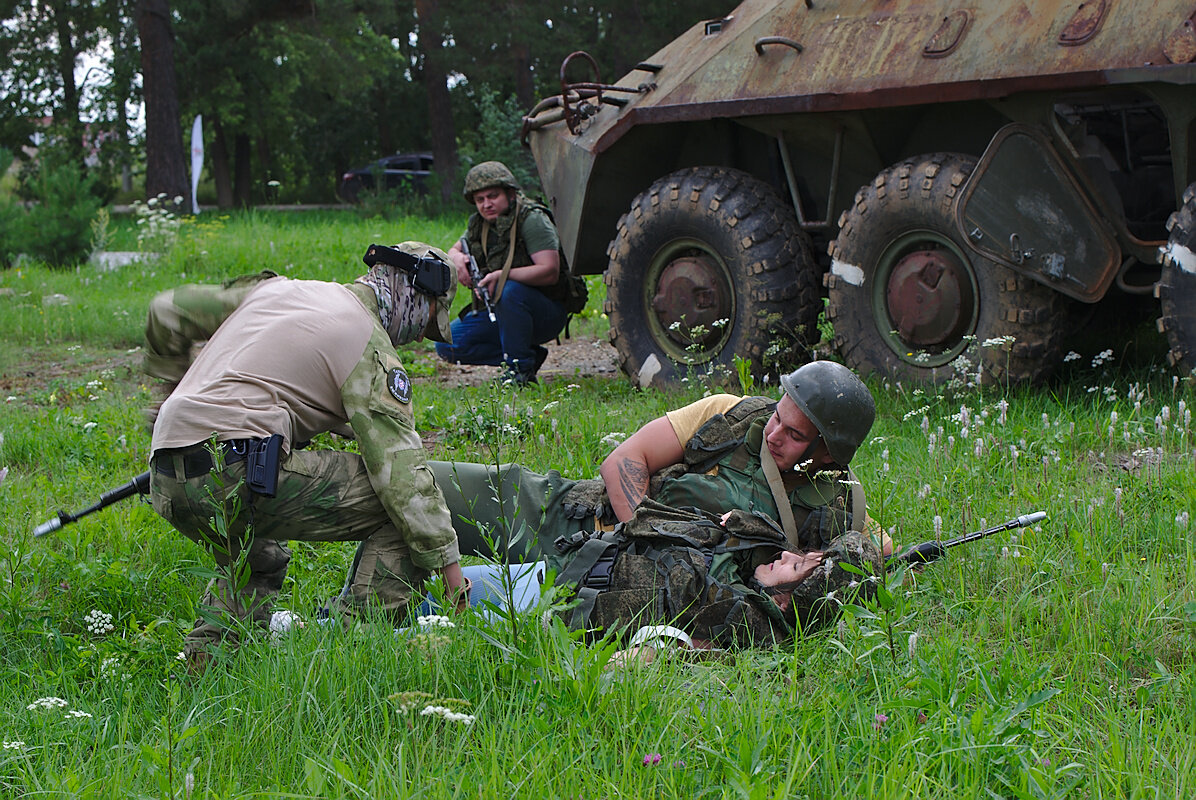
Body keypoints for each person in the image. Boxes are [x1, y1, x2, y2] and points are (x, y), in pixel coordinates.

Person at [378, 361, 892, 646]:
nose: (774, 434)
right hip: (576, 513)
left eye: (794, 433)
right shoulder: (731, 415)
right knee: (417, 485)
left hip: (607, 581)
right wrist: (649, 530)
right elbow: (625, 460)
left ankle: (349, 623)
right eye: (777, 417)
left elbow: (873, 551)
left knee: (478, 604)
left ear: (828, 449)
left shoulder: (838, 505)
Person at [143, 242, 470, 666]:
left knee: (256, 560)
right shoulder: (366, 339)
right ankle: (357, 656)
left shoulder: (280, 293)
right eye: (427, 322)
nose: (418, 337)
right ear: (417, 295)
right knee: (401, 512)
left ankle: (207, 673)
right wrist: (451, 574)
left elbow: (167, 308)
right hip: (237, 469)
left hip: (168, 472)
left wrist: (171, 399)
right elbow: (402, 476)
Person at [435, 161, 574, 385]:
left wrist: (502, 276)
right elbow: (456, 248)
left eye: (493, 196)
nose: (486, 204)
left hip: (544, 312)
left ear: (510, 194)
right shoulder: (481, 224)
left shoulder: (531, 219)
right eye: (480, 200)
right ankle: (528, 356)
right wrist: (456, 258)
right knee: (447, 344)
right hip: (503, 310)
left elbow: (550, 271)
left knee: (510, 291)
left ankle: (519, 372)